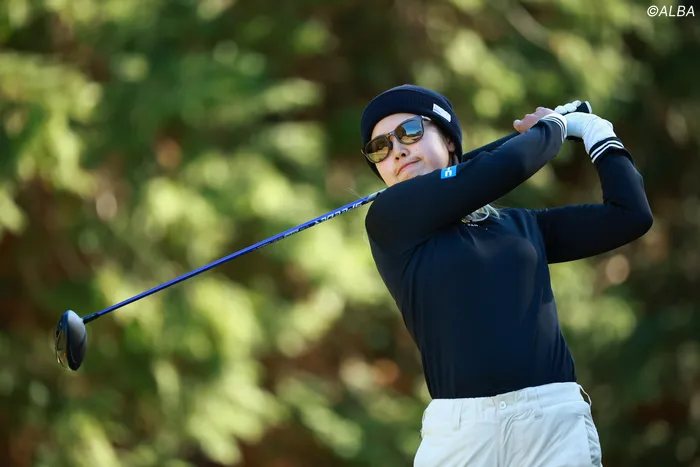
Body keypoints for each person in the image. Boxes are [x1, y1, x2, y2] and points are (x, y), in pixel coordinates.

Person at [359, 84, 653, 467]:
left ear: (449, 140)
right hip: (460, 433)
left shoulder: (523, 225)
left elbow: (629, 216)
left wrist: (598, 133)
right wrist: (557, 126)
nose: (397, 150)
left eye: (410, 131)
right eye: (380, 147)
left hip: (553, 424)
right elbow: (502, 167)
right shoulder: (388, 217)